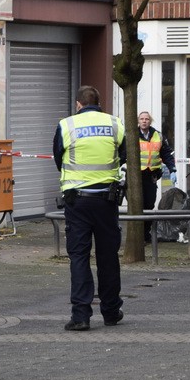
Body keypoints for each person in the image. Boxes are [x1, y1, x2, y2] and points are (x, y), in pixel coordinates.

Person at [53, 85, 126, 331]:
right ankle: (111, 312)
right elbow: (123, 156)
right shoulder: (115, 124)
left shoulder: (67, 125)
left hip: (77, 201)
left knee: (79, 258)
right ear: (99, 102)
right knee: (108, 257)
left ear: (78, 104)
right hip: (107, 200)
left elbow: (58, 158)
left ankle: (81, 316)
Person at [137, 111, 177, 243]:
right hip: (136, 176)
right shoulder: (132, 135)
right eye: (142, 119)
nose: (144, 121)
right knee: (138, 204)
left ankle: (145, 234)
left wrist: (172, 169)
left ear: (150, 121)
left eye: (146, 119)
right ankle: (138, 235)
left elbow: (166, 154)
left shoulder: (158, 135)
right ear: (138, 121)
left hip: (151, 175)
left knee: (149, 204)